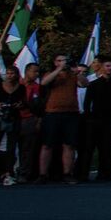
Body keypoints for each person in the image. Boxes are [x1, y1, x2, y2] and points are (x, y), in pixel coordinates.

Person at [37, 54, 82, 183]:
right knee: (47, 144)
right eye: (60, 60)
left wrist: (77, 72)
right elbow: (44, 82)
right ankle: (43, 174)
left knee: (69, 145)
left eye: (65, 60)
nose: (63, 62)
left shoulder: (72, 75)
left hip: (71, 113)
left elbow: (84, 84)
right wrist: (59, 69)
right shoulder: (51, 74)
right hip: (52, 112)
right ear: (55, 62)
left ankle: (67, 173)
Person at [79, 59, 111, 182]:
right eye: (107, 65)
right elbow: (87, 102)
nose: (110, 68)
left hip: (110, 120)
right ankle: (83, 173)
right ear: (102, 67)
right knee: (89, 147)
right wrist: (89, 117)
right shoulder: (94, 84)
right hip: (94, 120)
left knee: (107, 148)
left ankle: (106, 173)